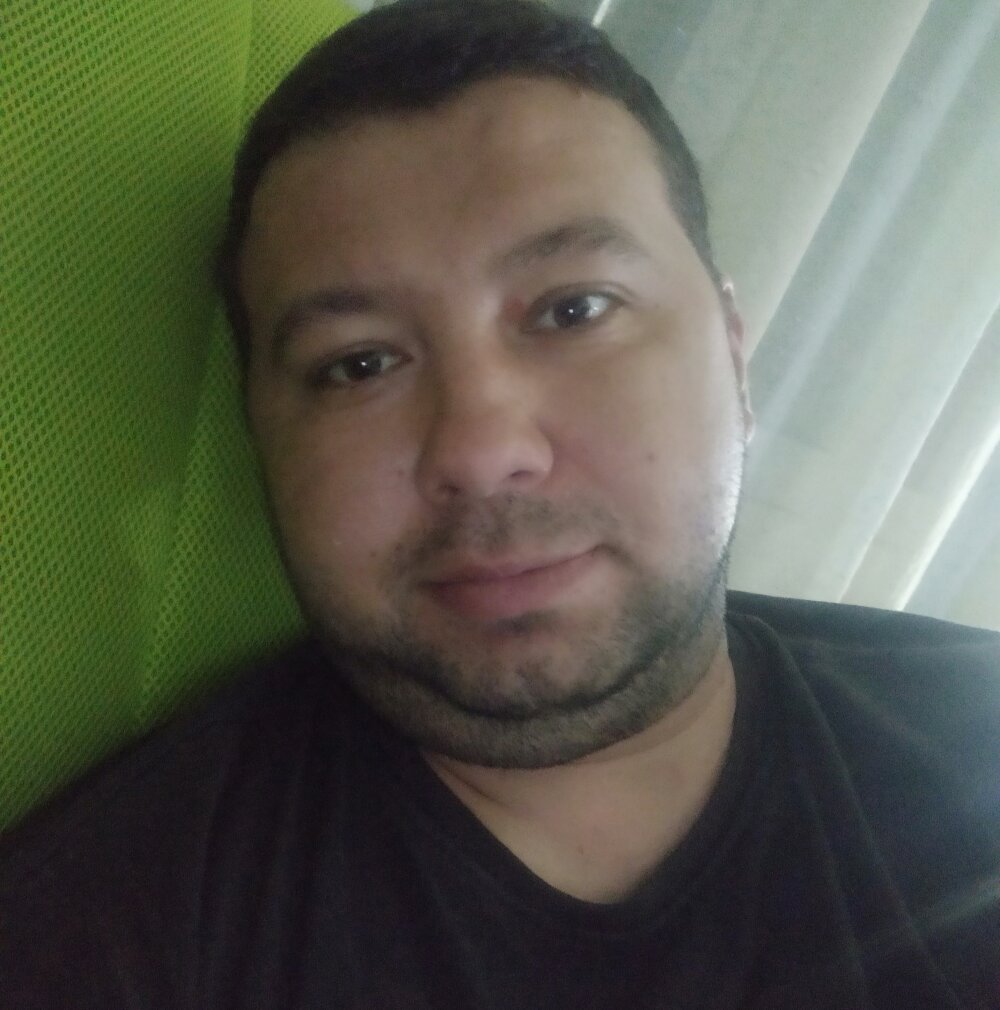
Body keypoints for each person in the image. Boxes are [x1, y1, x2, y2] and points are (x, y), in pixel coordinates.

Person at [2, 1, 998, 1006]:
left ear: (732, 356)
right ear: (259, 439)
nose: (481, 451)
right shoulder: (107, 929)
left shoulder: (975, 746)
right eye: (358, 364)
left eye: (575, 308)